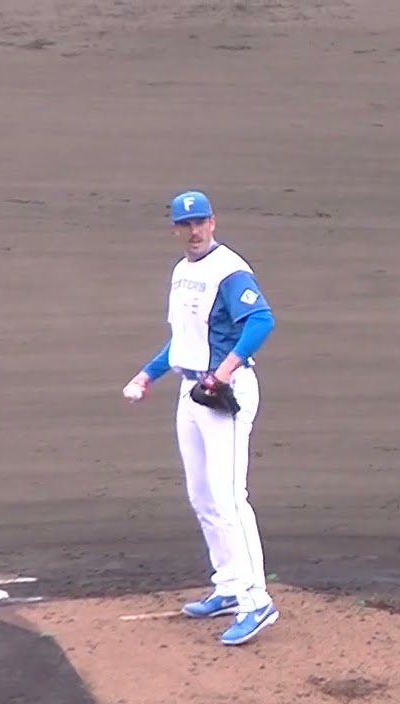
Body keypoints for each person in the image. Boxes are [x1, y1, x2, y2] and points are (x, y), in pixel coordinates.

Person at [122, 189, 279, 646]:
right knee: (202, 495)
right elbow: (184, 340)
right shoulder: (182, 272)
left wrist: (223, 373)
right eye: (185, 224)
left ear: (213, 222)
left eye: (200, 222)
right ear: (175, 229)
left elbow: (261, 320)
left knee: (229, 498)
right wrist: (147, 375)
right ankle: (228, 585)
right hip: (190, 391)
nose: (193, 231)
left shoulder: (230, 270)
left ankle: (257, 601)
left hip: (223, 391)